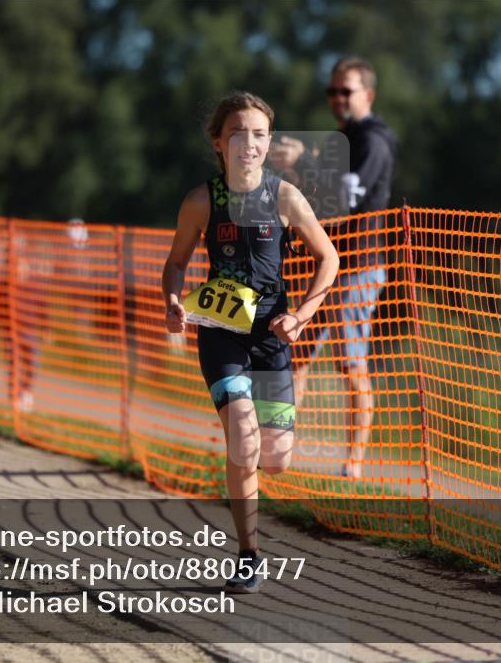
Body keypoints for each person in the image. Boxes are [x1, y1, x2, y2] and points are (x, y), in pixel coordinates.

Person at [163, 92, 338, 593]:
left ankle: (249, 465)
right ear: (219, 142)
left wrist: (301, 316)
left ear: (269, 141)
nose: (250, 143)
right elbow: (176, 263)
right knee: (242, 438)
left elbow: (328, 259)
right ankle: (248, 556)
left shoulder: (285, 197)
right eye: (238, 133)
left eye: (259, 133)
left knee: (275, 458)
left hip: (271, 338)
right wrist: (173, 301)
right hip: (221, 335)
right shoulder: (202, 202)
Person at [268, 56, 397, 479]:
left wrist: (304, 161)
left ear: (368, 95)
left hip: (359, 266)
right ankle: (282, 448)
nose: (338, 98)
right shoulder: (340, 140)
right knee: (296, 355)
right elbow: (320, 199)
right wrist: (295, 170)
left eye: (346, 91)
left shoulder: (373, 141)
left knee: (350, 362)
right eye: (332, 91)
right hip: (325, 265)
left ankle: (353, 467)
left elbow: (344, 199)